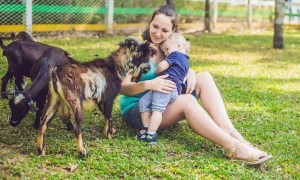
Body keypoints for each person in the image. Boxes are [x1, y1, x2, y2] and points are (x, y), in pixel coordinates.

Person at [120, 4, 272, 165]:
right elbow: (122, 87)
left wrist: (189, 72)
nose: (157, 33)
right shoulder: (136, 50)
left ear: (173, 31)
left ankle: (231, 132)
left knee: (204, 77)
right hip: (139, 110)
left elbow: (179, 68)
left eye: (164, 30)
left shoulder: (171, 49)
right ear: (150, 23)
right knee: (187, 101)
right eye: (155, 26)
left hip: (164, 101)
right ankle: (233, 148)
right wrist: (148, 84)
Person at [138, 33, 190, 144]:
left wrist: (155, 70)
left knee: (157, 109)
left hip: (166, 87)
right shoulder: (186, 61)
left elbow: (161, 67)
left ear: (179, 45)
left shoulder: (175, 54)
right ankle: (146, 129)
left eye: (167, 49)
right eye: (164, 51)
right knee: (143, 102)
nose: (166, 53)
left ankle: (151, 134)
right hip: (166, 88)